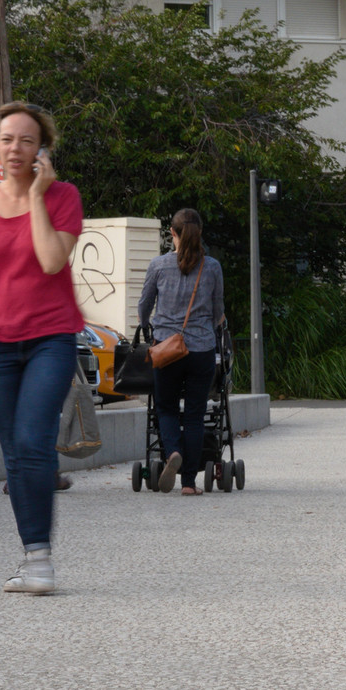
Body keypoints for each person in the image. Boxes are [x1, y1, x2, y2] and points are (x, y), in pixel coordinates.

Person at [0, 101, 84, 595]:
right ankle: (32, 556)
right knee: (14, 450)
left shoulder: (63, 196)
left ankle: (41, 561)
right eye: (8, 139)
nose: (15, 148)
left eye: (26, 140)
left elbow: (52, 262)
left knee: (32, 440)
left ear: (41, 149)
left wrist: (40, 197)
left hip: (51, 337)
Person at [138, 208, 226, 495]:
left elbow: (144, 305)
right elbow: (217, 311)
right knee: (195, 413)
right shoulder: (211, 267)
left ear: (172, 234)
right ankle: (189, 482)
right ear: (199, 233)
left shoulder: (159, 266)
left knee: (165, 407)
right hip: (201, 350)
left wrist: (147, 329)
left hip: (167, 349)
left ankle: (172, 452)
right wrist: (205, 330)